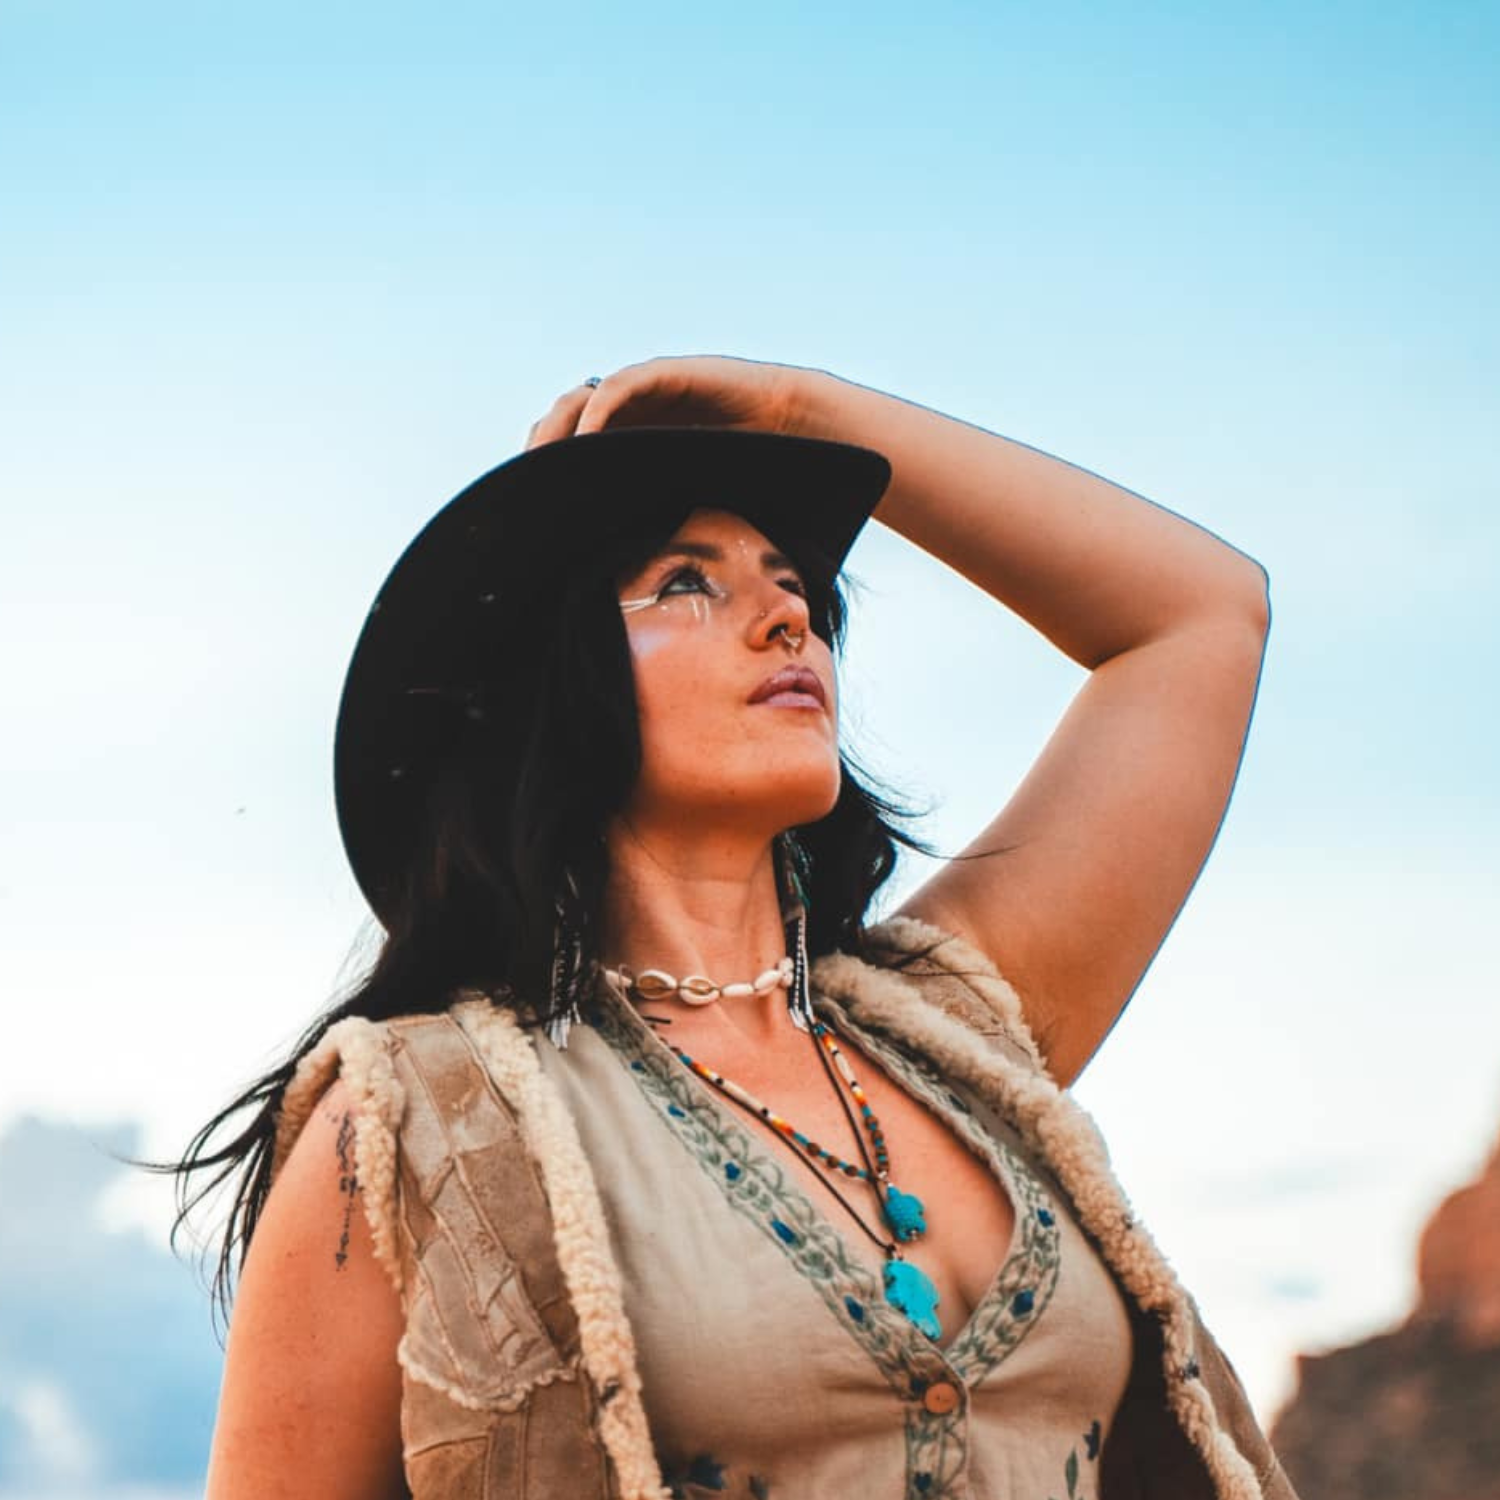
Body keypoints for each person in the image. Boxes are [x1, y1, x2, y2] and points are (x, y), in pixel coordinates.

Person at [177, 355, 1298, 1499]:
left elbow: (1202, 615)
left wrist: (797, 412)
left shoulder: (952, 1030)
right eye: (685, 584)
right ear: (550, 689)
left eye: (792, 581)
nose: (788, 616)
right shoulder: (413, 1127)